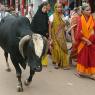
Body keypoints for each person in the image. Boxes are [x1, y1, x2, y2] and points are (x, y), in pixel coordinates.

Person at [75, 3, 95, 80]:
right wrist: (86, 40)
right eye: (87, 10)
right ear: (83, 11)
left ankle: (92, 73)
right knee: (83, 58)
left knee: (92, 58)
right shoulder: (80, 20)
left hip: (92, 42)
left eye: (90, 10)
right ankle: (80, 71)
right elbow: (78, 34)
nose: (89, 11)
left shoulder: (92, 19)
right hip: (83, 42)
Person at [49, 3, 70, 69]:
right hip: (54, 35)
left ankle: (63, 63)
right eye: (57, 7)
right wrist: (50, 36)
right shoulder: (52, 16)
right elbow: (50, 26)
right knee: (56, 49)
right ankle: (57, 63)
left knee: (62, 49)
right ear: (55, 8)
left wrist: (65, 24)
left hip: (62, 36)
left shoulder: (63, 16)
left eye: (60, 7)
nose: (59, 8)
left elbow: (65, 26)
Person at [30, 2, 49, 67]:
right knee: (37, 49)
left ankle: (43, 62)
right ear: (41, 8)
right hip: (37, 35)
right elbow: (33, 26)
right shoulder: (37, 15)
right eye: (44, 8)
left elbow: (46, 25)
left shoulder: (46, 15)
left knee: (44, 48)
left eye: (46, 8)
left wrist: (47, 32)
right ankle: (36, 61)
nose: (45, 9)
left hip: (44, 34)